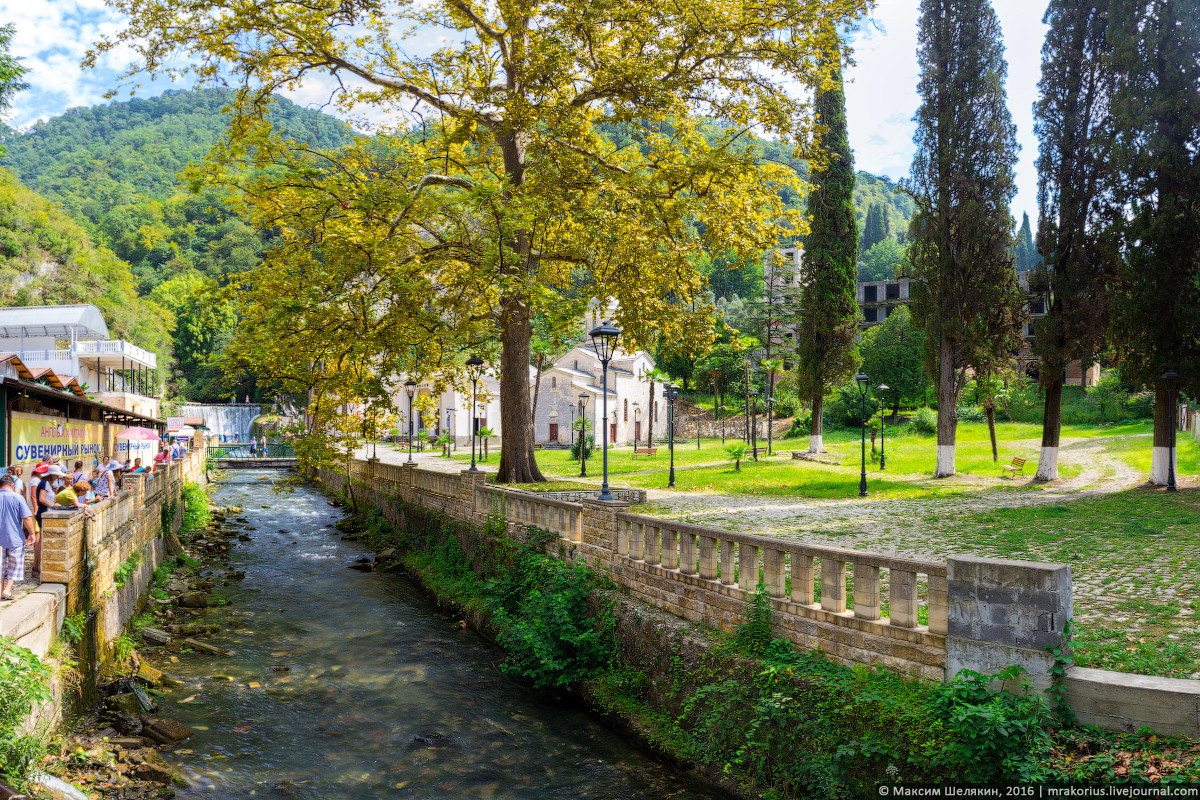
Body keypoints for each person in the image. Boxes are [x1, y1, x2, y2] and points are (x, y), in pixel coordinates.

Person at [0, 475, 36, 601]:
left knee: (0, 564)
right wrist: (31, 533)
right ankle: (7, 590)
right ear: (12, 486)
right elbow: (26, 518)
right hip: (14, 537)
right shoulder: (18, 497)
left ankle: (0, 591)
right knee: (14, 565)